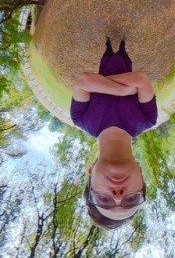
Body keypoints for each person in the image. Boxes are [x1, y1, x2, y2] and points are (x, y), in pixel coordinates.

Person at [70, 38, 158, 228]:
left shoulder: (80, 117)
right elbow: (142, 78)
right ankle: (123, 45)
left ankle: (109, 45)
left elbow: (83, 80)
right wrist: (98, 84)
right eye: (131, 199)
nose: (118, 196)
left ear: (91, 172)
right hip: (127, 64)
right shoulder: (148, 118)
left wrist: (127, 91)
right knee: (124, 52)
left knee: (108, 52)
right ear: (141, 172)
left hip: (106, 64)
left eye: (104, 200)